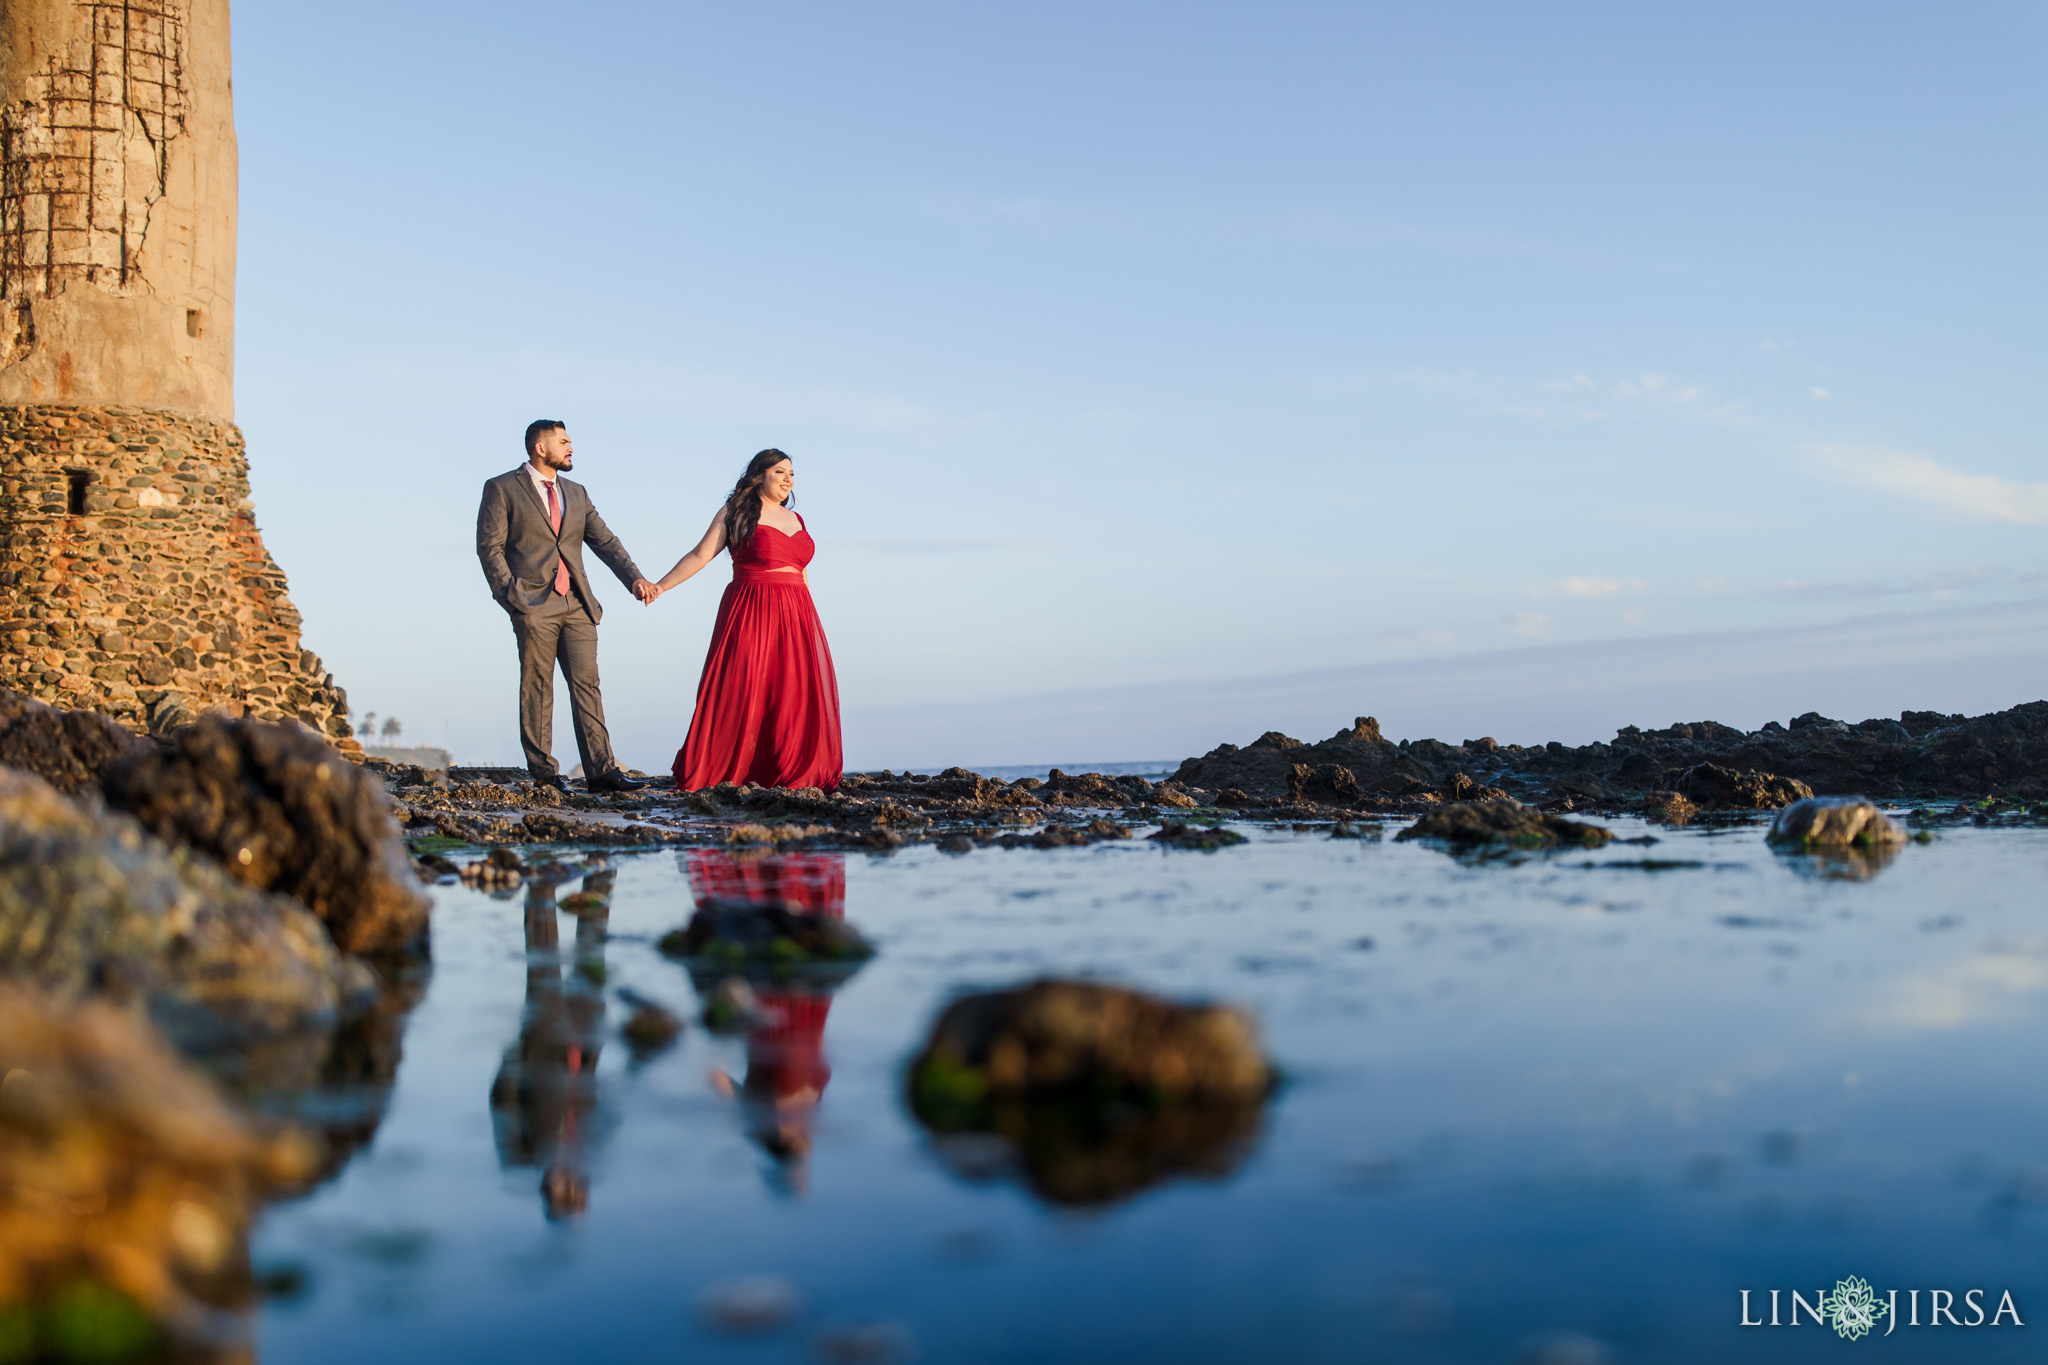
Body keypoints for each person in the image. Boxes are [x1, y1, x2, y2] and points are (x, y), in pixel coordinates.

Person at [648, 448, 842, 792]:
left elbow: (802, 572)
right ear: (760, 474)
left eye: (792, 474)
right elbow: (700, 555)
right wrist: (661, 585)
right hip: (751, 606)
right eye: (780, 471)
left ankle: (786, 766)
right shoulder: (736, 511)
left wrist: (809, 622)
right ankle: (730, 766)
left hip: (796, 611)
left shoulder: (797, 520)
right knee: (743, 684)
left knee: (792, 692)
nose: (788, 480)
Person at [476, 420, 655, 792]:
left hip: (577, 603)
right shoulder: (502, 488)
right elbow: (489, 547)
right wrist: (510, 595)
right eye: (564, 441)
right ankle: (544, 773)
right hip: (531, 602)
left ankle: (602, 772)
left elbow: (605, 541)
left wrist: (634, 578)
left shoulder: (577, 492)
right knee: (538, 686)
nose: (571, 447)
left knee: (587, 684)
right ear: (540, 448)